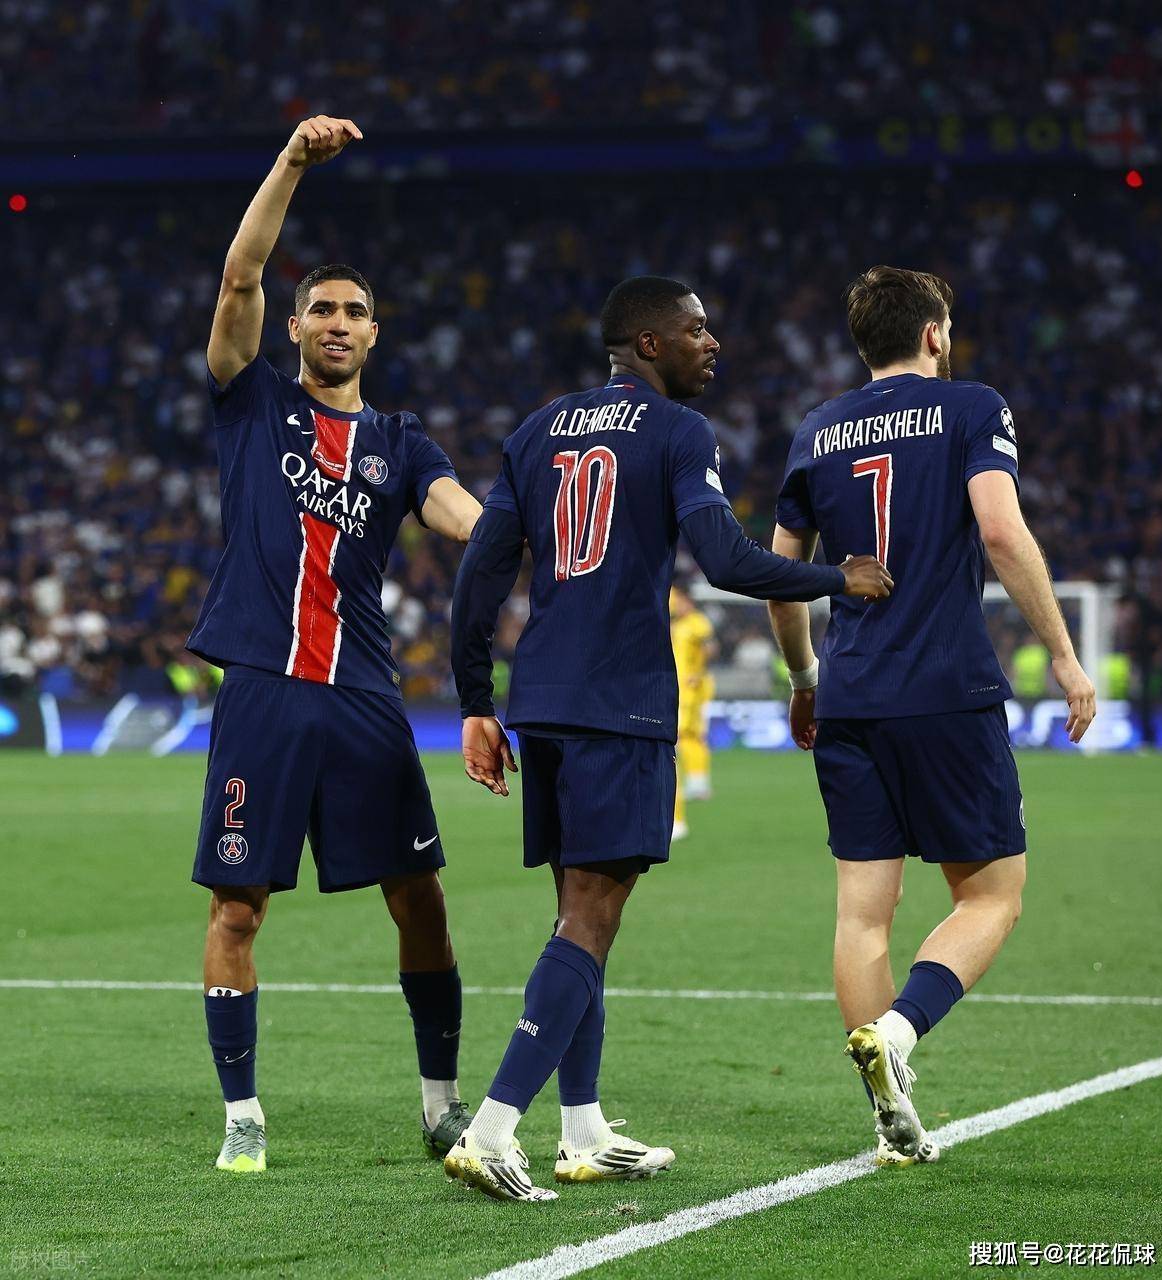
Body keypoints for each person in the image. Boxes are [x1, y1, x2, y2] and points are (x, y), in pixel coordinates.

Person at [444, 275, 893, 1201]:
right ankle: (492, 1129)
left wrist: (475, 700)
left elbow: (480, 573)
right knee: (591, 917)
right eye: (694, 329)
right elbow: (725, 560)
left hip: (545, 698)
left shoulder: (536, 431)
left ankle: (582, 1129)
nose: (710, 342)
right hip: (622, 702)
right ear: (647, 343)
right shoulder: (678, 431)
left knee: (579, 917)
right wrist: (837, 578)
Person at [188, 116, 484, 1174]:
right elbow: (238, 274)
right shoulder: (252, 400)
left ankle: (440, 1103)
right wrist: (290, 164)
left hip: (362, 695)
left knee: (421, 899)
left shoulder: (400, 442)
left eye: (355, 311)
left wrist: (529, 529)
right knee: (237, 906)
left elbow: (459, 514)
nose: (338, 323)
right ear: (295, 325)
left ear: (375, 332)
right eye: (321, 309)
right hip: (264, 691)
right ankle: (242, 1115)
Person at [768, 265, 1097, 1165]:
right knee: (992, 894)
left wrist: (803, 677)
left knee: (862, 913)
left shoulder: (816, 429)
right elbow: (1000, 529)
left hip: (850, 693)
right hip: (946, 689)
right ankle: (901, 1030)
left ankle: (888, 1117)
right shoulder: (971, 406)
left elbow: (781, 573)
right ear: (934, 334)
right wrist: (1064, 654)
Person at [669, 582, 719, 839]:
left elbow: (710, 647)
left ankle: (694, 789)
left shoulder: (697, 622)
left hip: (690, 690)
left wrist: (699, 673)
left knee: (682, 738)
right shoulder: (677, 625)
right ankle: (698, 783)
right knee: (687, 737)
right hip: (677, 687)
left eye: (679, 601)